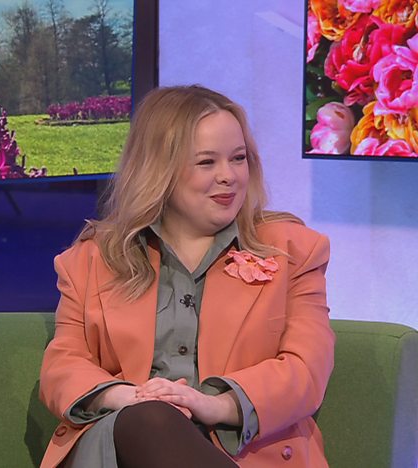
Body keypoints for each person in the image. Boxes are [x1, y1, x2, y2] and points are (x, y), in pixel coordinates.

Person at [39, 85, 333, 467]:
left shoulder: (295, 251)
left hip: (245, 452)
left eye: (238, 158)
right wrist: (130, 398)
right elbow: (62, 364)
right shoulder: (91, 259)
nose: (229, 176)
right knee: (152, 421)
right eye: (207, 162)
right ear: (159, 168)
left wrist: (213, 405)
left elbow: (306, 368)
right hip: (124, 444)